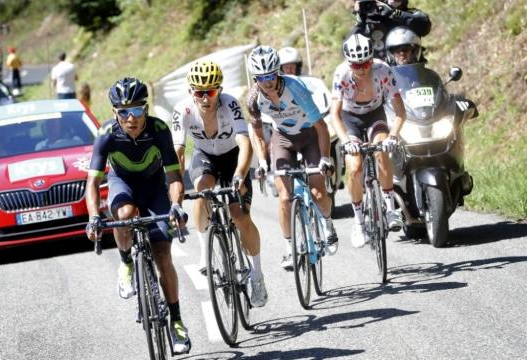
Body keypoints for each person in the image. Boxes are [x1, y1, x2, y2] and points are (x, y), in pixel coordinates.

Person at [85, 77, 191, 354]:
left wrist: (177, 204)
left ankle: (177, 321)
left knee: (163, 255)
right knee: (124, 215)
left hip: (154, 187)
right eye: (123, 111)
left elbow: (174, 175)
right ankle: (126, 263)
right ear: (114, 112)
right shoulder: (106, 134)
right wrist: (94, 217)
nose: (130, 118)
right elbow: (93, 184)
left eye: (136, 110)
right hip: (123, 185)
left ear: (146, 108)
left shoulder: (158, 130)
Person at [171, 60, 268, 307]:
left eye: (211, 91)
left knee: (239, 215)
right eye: (199, 92)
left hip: (233, 158)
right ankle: (205, 251)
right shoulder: (182, 111)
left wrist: (239, 174)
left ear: (219, 90)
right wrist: (175, 189)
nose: (205, 98)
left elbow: (245, 144)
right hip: (205, 157)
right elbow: (178, 154)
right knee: (201, 189)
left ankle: (257, 274)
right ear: (190, 91)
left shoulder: (230, 104)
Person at [247, 45, 337, 270]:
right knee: (285, 197)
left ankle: (327, 223)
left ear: (277, 71)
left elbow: (322, 127)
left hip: (309, 136)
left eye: (271, 75)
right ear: (255, 77)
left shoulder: (296, 88)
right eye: (261, 77)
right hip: (283, 138)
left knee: (318, 193)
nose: (267, 82)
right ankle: (289, 248)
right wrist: (262, 162)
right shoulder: (254, 99)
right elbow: (256, 132)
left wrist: (325, 158)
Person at [330, 33, 406, 248]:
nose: (361, 68)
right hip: (350, 118)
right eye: (355, 65)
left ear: (372, 59)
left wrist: (393, 136)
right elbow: (334, 114)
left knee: (382, 152)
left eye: (365, 63)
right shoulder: (342, 73)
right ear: (348, 63)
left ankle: (391, 209)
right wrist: (345, 141)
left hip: (375, 115)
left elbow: (400, 112)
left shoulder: (382, 70)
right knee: (355, 167)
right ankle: (359, 221)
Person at [349, 0, 431, 60]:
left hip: (411, 73)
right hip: (381, 76)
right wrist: (360, 23)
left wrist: (394, 14)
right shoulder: (369, 20)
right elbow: (347, 50)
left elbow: (424, 26)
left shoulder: (412, 15)